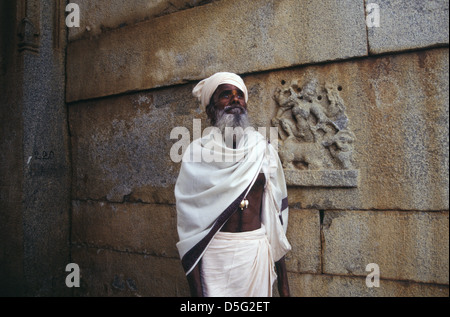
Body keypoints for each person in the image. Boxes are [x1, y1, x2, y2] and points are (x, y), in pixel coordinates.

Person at [175, 72, 291, 297]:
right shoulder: (196, 155)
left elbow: (275, 221)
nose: (235, 100)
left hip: (255, 254)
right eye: (226, 95)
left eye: (239, 95)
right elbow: (190, 232)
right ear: (211, 108)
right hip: (214, 259)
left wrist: (284, 288)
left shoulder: (263, 150)